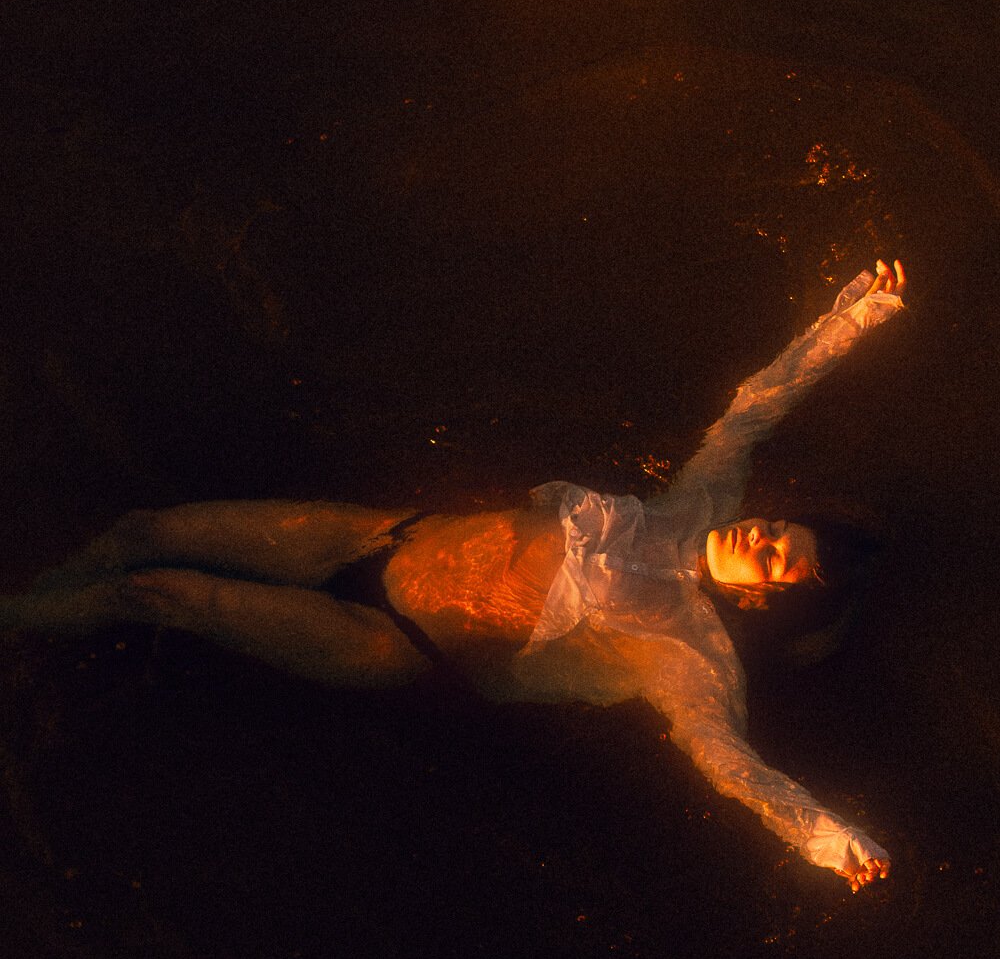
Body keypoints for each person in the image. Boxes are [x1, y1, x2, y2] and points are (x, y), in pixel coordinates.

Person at [2, 261, 906, 891]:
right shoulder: (701, 504)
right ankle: (47, 596)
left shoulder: (686, 652)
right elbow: (757, 407)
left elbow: (731, 765)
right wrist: (855, 318)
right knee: (142, 530)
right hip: (381, 538)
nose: (766, 534)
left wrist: (828, 840)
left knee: (159, 594)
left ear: (764, 597)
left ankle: (16, 618)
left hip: (396, 644)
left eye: (780, 557)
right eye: (783, 528)